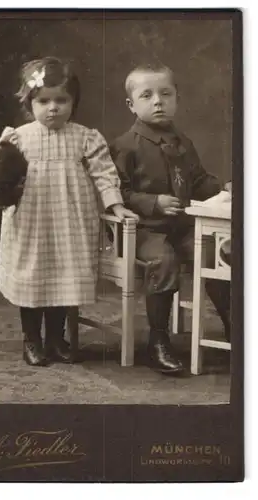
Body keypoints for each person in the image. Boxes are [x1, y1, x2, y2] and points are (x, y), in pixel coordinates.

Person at [0, 56, 138, 367]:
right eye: (44, 101)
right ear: (30, 103)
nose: (53, 107)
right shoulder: (18, 137)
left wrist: (115, 204)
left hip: (71, 219)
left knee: (62, 282)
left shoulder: (84, 137)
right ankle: (32, 340)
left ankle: (57, 338)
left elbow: (104, 173)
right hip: (31, 222)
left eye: (61, 100)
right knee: (34, 280)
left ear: (73, 102)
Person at [110, 62, 231, 375]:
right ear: (131, 104)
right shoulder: (125, 146)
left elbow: (199, 180)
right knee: (163, 259)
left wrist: (222, 187)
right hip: (143, 231)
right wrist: (153, 202)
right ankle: (158, 339)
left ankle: (234, 326)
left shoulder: (183, 142)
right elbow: (116, 192)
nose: (158, 101)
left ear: (177, 98)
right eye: (147, 95)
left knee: (214, 252)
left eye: (165, 93)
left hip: (181, 227)